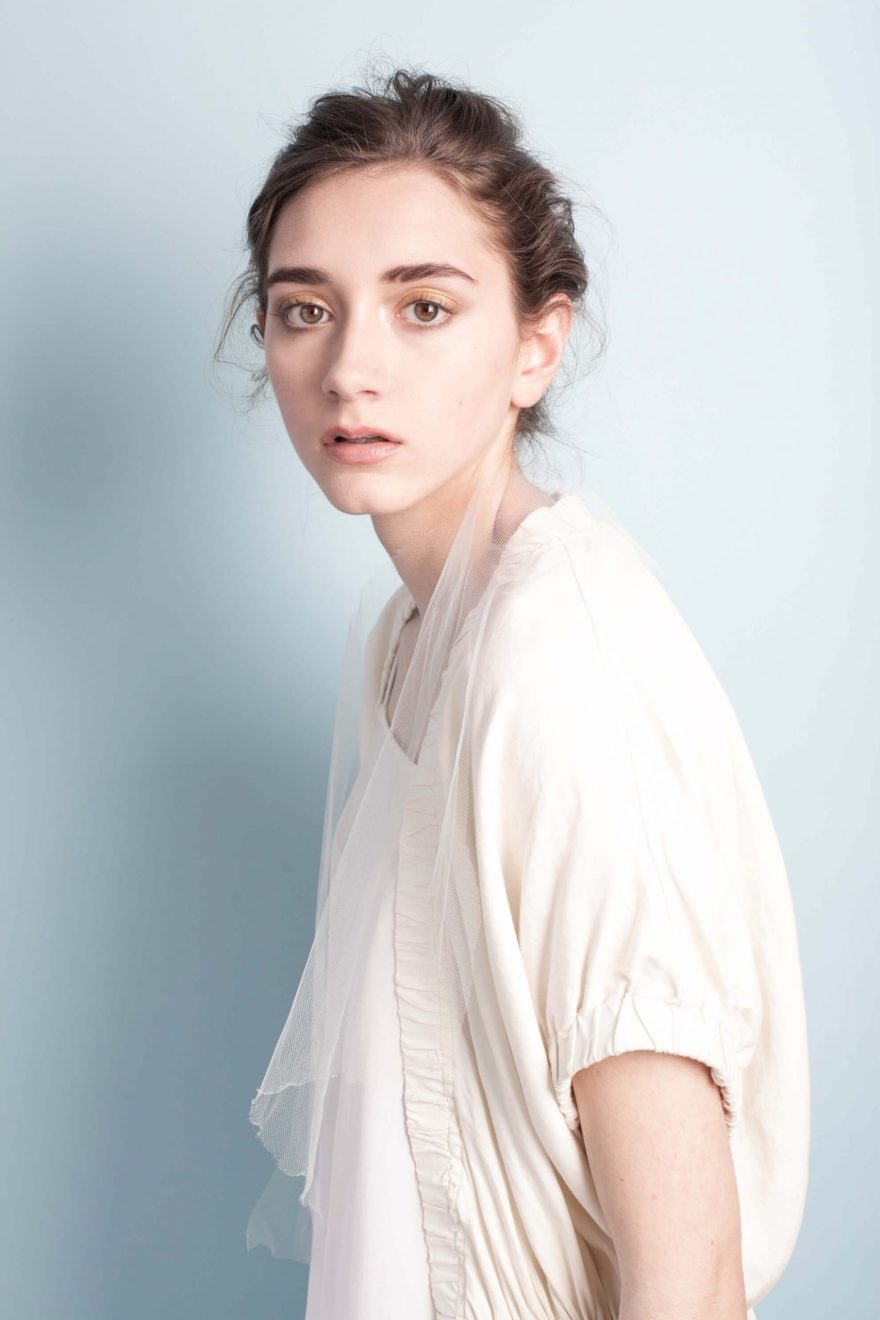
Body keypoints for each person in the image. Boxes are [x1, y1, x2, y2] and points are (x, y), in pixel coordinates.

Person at [216, 65, 810, 1319]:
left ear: (537, 345)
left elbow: (689, 1271)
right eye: (304, 309)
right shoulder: (412, 633)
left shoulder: (556, 659)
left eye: (423, 307)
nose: (350, 368)